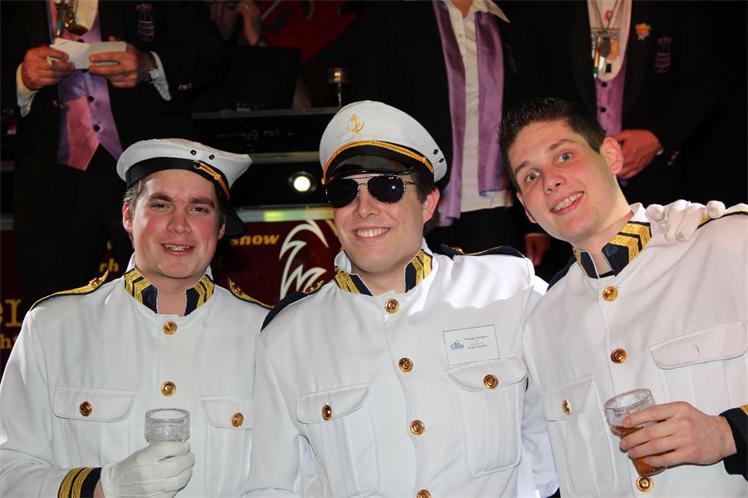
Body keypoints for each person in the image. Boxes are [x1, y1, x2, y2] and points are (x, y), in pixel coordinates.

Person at [246, 100, 559, 497]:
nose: (364, 208)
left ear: (428, 203)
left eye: (387, 187)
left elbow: (559, 419)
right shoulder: (288, 337)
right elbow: (272, 485)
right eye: (344, 192)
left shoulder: (507, 289)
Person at [500, 97, 747, 496]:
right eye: (530, 176)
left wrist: (729, 433)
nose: (550, 181)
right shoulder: (543, 324)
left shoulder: (727, 246)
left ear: (611, 155)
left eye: (564, 156)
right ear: (527, 209)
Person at [0, 139, 269, 497]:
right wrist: (103, 486)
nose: (179, 225)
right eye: (161, 205)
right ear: (127, 216)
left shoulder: (266, 334)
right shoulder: (54, 328)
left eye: (199, 208)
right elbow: (9, 472)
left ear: (220, 227)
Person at [1, 1, 225, 313]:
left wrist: (150, 65)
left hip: (152, 174)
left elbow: (211, 52)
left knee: (169, 308)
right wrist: (21, 78)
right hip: (51, 180)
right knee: (53, 318)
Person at [353, 1, 553, 269]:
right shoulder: (393, 13)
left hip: (496, 202)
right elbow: (368, 112)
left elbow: (532, 112)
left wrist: (534, 222)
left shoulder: (508, 14)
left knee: (496, 291)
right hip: (416, 198)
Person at [530, 1, 718, 207]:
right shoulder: (544, 8)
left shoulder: (675, 7)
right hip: (572, 186)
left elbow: (704, 82)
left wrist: (658, 137)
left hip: (656, 183)